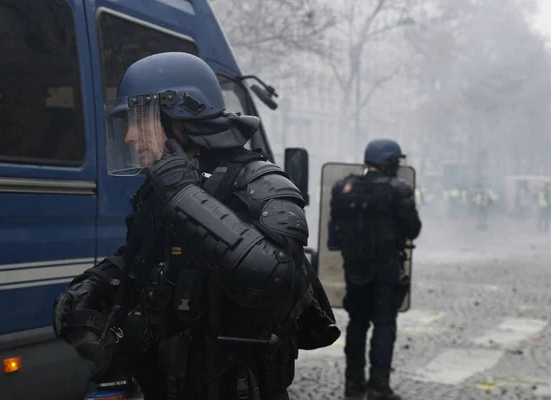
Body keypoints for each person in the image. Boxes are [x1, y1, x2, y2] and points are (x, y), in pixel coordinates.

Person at [51, 52, 340, 400]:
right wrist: (99, 280)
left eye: (138, 121)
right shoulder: (163, 185)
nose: (128, 136)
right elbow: (148, 253)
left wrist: (181, 193)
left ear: (179, 122)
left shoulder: (260, 181)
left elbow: (272, 271)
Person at [330, 139, 421, 400]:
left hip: (355, 268)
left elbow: (334, 230)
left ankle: (353, 385)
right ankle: (378, 387)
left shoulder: (342, 187)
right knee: (384, 324)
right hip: (386, 270)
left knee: (357, 324)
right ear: (389, 162)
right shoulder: (398, 189)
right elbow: (412, 229)